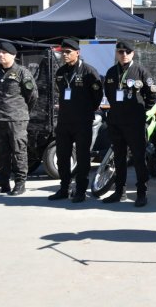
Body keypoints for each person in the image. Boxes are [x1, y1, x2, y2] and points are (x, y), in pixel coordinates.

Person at [102, 40, 156, 207]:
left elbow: (152, 95)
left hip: (134, 123)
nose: (123, 54)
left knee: (139, 159)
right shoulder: (111, 72)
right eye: (120, 52)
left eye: (127, 51)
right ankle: (120, 192)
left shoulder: (141, 71)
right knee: (118, 159)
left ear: (133, 53)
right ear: (116, 53)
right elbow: (109, 95)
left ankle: (141, 193)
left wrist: (139, 112)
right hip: (116, 123)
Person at [48, 39, 103, 203]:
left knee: (83, 156)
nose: (64, 55)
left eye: (68, 52)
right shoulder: (61, 72)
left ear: (77, 53)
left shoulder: (88, 71)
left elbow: (97, 96)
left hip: (82, 121)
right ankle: (64, 188)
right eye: (63, 52)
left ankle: (80, 190)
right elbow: (60, 92)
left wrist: (85, 110)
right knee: (63, 155)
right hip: (65, 121)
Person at [0, 42, 38, 195]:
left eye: (4, 53)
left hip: (17, 119)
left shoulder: (22, 73)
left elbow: (32, 96)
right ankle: (3, 183)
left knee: (19, 152)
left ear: (13, 55)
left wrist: (22, 112)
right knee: (2, 154)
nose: (1, 55)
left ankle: (20, 183)